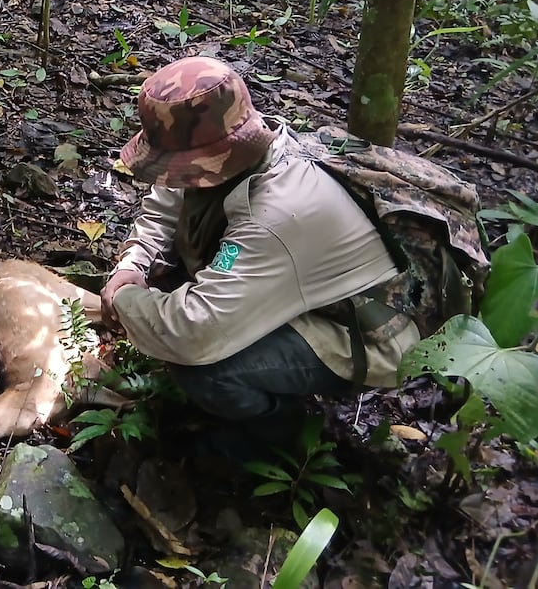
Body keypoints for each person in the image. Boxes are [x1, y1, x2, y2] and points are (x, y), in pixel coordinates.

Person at [99, 56, 423, 454]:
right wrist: (134, 264)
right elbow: (169, 200)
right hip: (297, 285)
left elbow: (194, 332)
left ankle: (279, 435)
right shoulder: (236, 149)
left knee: (206, 370)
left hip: (364, 329)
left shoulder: (276, 213)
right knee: (169, 287)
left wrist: (123, 299)